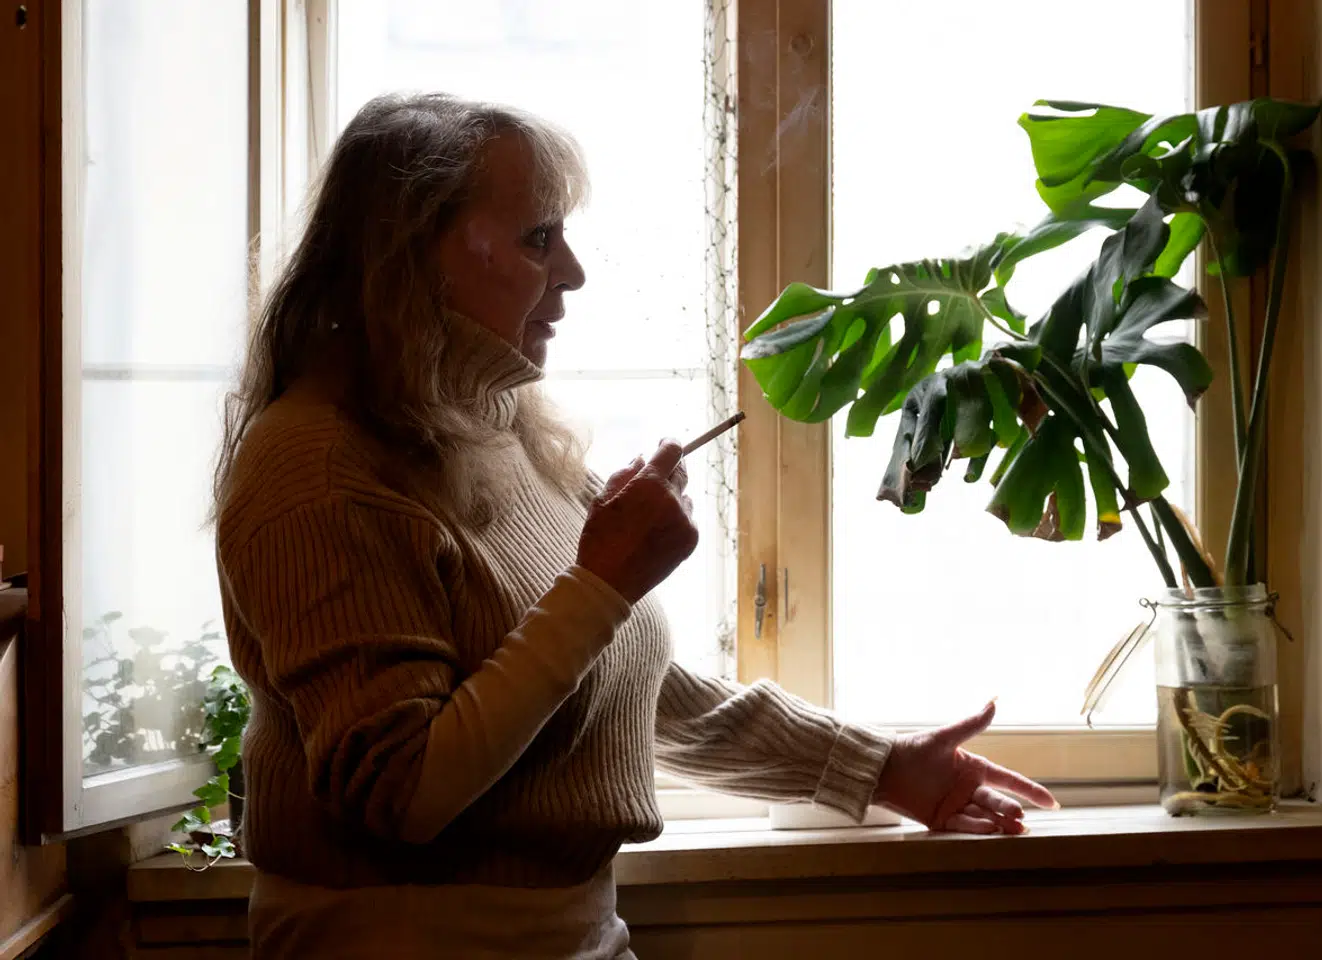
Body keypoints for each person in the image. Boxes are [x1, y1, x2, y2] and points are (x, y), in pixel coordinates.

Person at [213, 93, 1057, 959]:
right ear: (407, 257)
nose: (572, 272)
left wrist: (879, 768)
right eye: (538, 238)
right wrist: (602, 581)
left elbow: (615, 686)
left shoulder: (490, 427)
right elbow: (407, 792)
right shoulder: (314, 466)